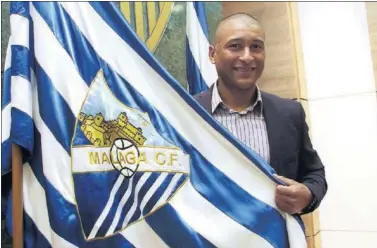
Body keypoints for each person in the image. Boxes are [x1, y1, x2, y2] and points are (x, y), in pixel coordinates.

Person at [194, 13, 327, 214]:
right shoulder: (188, 112)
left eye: (256, 47)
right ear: (212, 54)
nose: (247, 57)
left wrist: (307, 194)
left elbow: (314, 173)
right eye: (235, 46)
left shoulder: (289, 113)